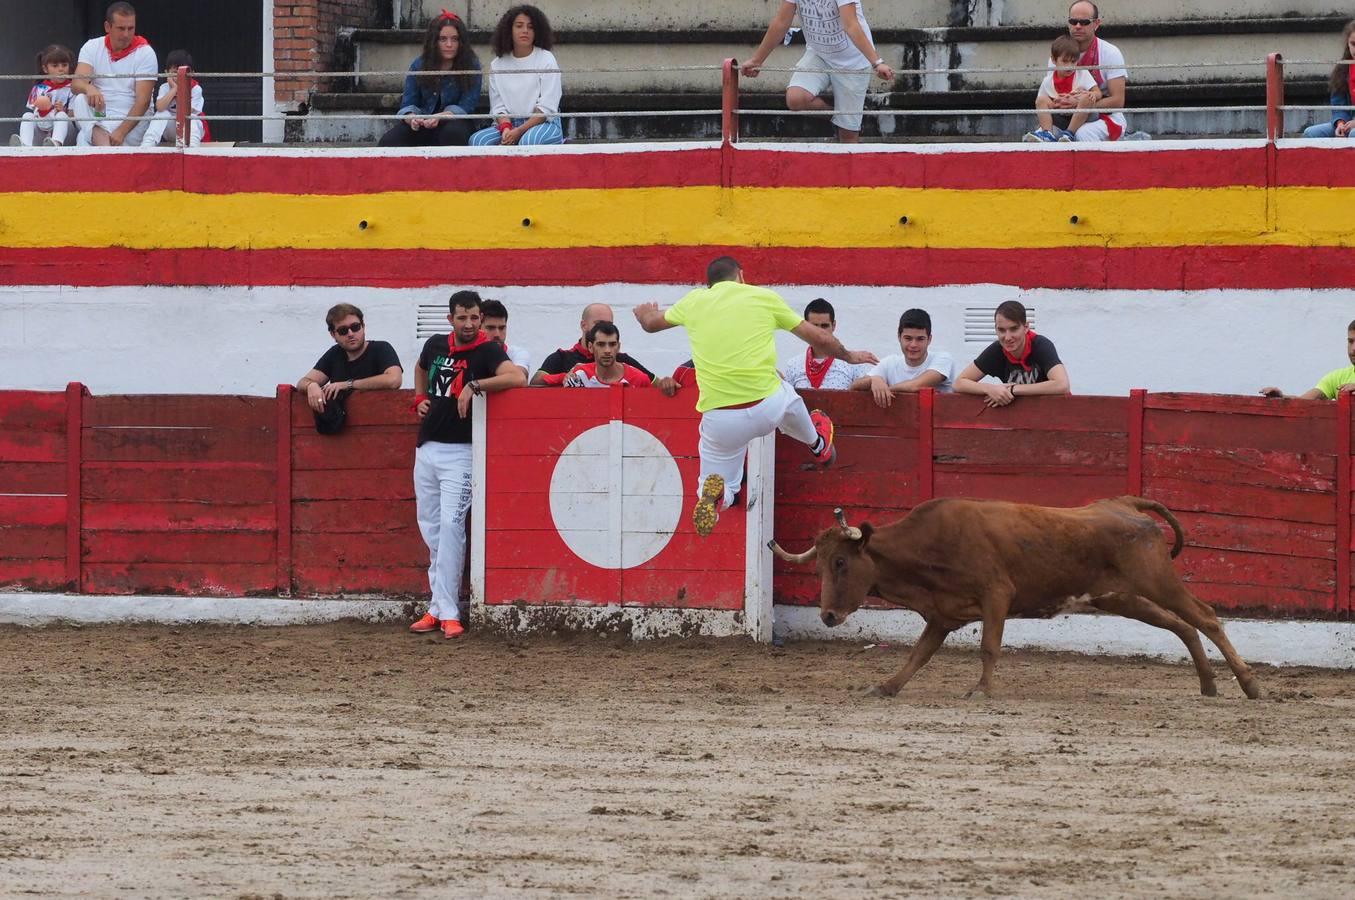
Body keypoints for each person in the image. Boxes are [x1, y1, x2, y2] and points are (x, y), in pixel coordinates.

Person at [634, 256, 878, 536]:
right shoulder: (762, 297)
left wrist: (644, 314)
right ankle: (817, 442)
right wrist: (849, 356)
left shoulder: (694, 302)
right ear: (741, 275)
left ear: (710, 284)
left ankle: (716, 497)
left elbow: (652, 324)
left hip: (720, 418)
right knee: (787, 395)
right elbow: (819, 338)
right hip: (765, 406)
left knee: (716, 482)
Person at [411, 290, 526, 638]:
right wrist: (418, 397)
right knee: (431, 527)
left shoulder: (487, 349)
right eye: (462, 318)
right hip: (427, 446)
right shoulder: (435, 344)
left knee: (450, 525)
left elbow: (516, 378)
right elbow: (419, 368)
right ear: (450, 319)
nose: (470, 324)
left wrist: (475, 385)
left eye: (474, 318)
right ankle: (439, 606)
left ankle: (448, 611)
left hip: (462, 451)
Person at [740, 0, 894, 143]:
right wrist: (757, 60)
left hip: (852, 61)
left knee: (848, 135)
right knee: (796, 98)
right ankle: (836, 117)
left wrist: (876, 63)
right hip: (819, 54)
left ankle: (846, 133)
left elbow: (851, 25)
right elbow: (781, 22)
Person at [379, 11, 481, 148]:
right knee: (390, 141)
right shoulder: (419, 65)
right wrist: (412, 119)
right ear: (434, 41)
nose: (449, 44)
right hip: (423, 121)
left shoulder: (471, 64)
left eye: (455, 39)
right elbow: (408, 102)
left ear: (461, 42)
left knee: (452, 133)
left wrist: (441, 116)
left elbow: (468, 105)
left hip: (455, 122)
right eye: (443, 39)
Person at [468, 5, 563, 147]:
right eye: (519, 26)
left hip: (544, 123)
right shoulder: (497, 64)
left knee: (528, 142)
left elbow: (547, 107)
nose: (525, 31)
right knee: (478, 141)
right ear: (509, 30)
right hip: (509, 125)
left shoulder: (546, 59)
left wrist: (519, 131)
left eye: (531, 27)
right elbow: (498, 106)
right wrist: (506, 129)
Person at [1047, 1, 1139, 143]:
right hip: (1067, 116)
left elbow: (1118, 101)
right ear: (1068, 23)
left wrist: (1081, 105)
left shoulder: (1110, 53)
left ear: (1096, 24)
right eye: (1073, 21)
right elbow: (1052, 96)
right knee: (1043, 134)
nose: (1078, 26)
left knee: (1084, 134)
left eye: (1084, 22)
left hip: (1107, 116)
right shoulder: (1057, 56)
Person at [295, 303, 403, 424]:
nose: (351, 333)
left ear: (363, 327)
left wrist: (348, 384)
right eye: (343, 330)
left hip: (381, 424)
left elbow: (394, 380)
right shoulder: (334, 354)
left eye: (355, 327)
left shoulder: (381, 348)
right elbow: (302, 382)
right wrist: (311, 386)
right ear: (333, 335)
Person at [70, 1, 157, 147]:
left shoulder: (145, 52)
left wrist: (121, 132)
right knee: (79, 99)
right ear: (107, 27)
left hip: (131, 121)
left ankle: (101, 143)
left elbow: (143, 101)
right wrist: (89, 88)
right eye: (121, 28)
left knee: (82, 139)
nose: (126, 34)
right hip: (100, 114)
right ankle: (104, 145)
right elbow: (76, 84)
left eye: (131, 28)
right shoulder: (92, 46)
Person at [954, 300, 1071, 406]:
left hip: (1058, 413)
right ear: (996, 329)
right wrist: (989, 389)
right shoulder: (997, 350)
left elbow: (1062, 384)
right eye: (1001, 330)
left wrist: (1013, 389)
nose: (1007, 337)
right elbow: (959, 383)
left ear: (1026, 327)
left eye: (1013, 329)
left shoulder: (1040, 345)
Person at [851, 308, 953, 408]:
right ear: (899, 337)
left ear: (929, 339)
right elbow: (854, 386)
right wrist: (873, 380)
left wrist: (885, 389)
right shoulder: (889, 362)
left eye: (920, 339)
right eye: (908, 338)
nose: (913, 344)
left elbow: (915, 385)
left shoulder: (943, 359)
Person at [532, 303, 657, 384]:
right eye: (598, 324)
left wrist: (667, 382)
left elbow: (655, 383)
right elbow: (535, 382)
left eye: (609, 324)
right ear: (583, 325)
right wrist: (566, 377)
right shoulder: (562, 357)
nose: (603, 328)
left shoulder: (620, 358)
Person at [1024, 35, 1106, 143]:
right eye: (1065, 61)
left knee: (1087, 98)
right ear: (1053, 60)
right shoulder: (1048, 81)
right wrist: (1056, 103)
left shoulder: (1082, 74)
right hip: (1060, 117)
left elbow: (1098, 92)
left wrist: (1093, 95)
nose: (1070, 66)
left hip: (1083, 117)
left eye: (1073, 62)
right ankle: (1047, 133)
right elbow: (1042, 102)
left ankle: (1069, 133)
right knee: (1041, 100)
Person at [782, 298, 871, 389]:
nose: (819, 332)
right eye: (814, 326)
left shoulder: (853, 364)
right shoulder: (793, 365)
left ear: (834, 325)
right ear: (806, 327)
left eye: (824, 326)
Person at [1260, 321, 1355, 399]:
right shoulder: (1337, 377)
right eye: (1350, 342)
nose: (1353, 348)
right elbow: (1304, 402)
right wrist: (1281, 398)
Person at [541, 322, 652, 387]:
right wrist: (563, 377)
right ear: (590, 347)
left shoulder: (639, 379)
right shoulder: (579, 375)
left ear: (618, 347)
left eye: (612, 344)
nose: (607, 350)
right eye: (601, 344)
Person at [140, 50, 208, 147]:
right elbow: (159, 107)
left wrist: (181, 90)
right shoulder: (164, 87)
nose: (179, 77)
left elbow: (190, 111)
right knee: (162, 114)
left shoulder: (196, 89)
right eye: (175, 73)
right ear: (167, 73)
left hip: (190, 129)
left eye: (183, 73)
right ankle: (147, 145)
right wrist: (174, 90)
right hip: (172, 130)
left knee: (192, 118)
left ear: (191, 73)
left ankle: (193, 148)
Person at [12, 45, 74, 148]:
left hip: (66, 136)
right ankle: (25, 146)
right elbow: (35, 112)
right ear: (45, 69)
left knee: (61, 116)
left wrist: (63, 111)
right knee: (27, 115)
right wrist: (43, 109)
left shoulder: (72, 88)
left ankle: (56, 144)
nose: (61, 69)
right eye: (55, 66)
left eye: (64, 65)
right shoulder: (38, 88)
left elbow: (75, 118)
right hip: (43, 131)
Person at [1302, 20, 1355, 139]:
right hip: (1348, 123)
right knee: (1310, 133)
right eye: (1353, 44)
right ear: (1348, 43)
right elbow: (1338, 104)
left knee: (1353, 134)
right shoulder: (1343, 69)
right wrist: (1340, 123)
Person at [479, 298, 531, 378]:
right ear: (478, 328)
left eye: (501, 328)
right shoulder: (469, 354)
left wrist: (475, 385)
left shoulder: (517, 354)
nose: (497, 334)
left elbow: (519, 378)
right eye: (490, 328)